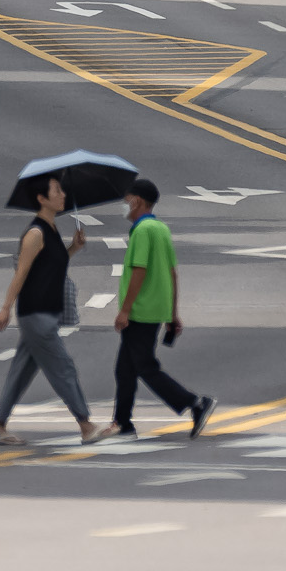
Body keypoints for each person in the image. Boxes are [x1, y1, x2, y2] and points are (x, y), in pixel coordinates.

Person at [94, 177, 217, 442]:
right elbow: (172, 273)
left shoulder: (142, 231)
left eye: (127, 201)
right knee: (124, 369)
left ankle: (195, 403)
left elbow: (140, 270)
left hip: (141, 311)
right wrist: (173, 313)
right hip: (156, 310)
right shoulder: (161, 229)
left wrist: (125, 310)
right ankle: (123, 422)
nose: (125, 206)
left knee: (146, 367)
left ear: (137, 201)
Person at [0, 174, 100, 447]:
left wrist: (74, 247)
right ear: (41, 199)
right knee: (63, 368)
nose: (63, 195)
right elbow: (21, 273)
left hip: (46, 312)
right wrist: (5, 309)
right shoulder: (35, 233)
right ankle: (86, 425)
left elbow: (50, 266)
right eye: (57, 191)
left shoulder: (50, 229)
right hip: (36, 314)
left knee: (21, 372)